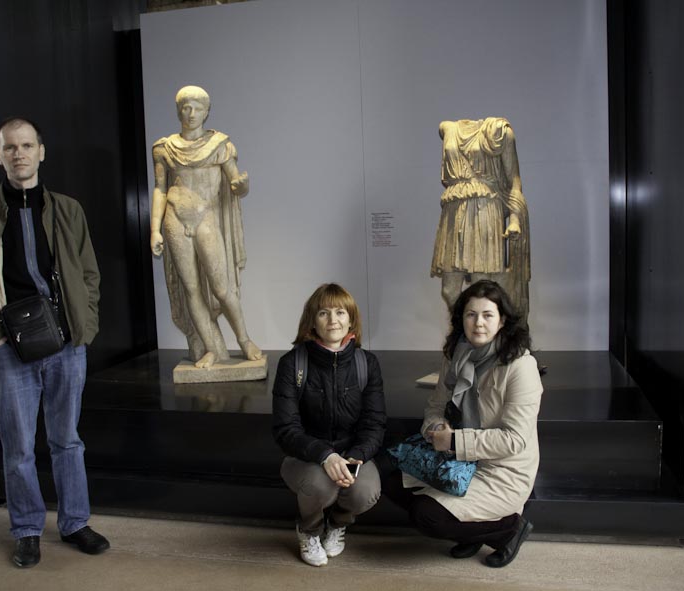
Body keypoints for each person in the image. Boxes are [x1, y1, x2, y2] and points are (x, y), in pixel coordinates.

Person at [0, 117, 109, 568]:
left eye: (26, 145)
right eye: (10, 147)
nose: (18, 154)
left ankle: (75, 523)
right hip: (10, 348)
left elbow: (89, 275)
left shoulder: (68, 210)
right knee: (18, 446)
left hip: (66, 344)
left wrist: (83, 327)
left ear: (41, 151)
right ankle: (26, 530)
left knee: (67, 440)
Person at [382, 280, 542, 568]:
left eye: (487, 315)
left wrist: (455, 441)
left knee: (427, 516)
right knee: (393, 482)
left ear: (502, 320)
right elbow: (436, 406)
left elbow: (514, 440)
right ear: (461, 319)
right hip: (457, 459)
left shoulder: (521, 366)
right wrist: (436, 429)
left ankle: (508, 531)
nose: (478, 323)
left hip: (501, 469)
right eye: (471, 314)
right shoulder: (457, 354)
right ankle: (471, 529)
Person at [272, 284, 387, 566]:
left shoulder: (366, 363)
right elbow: (286, 429)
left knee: (365, 491)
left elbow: (374, 423)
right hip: (305, 456)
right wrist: (325, 456)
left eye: (340, 312)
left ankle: (337, 524)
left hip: (351, 451)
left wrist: (357, 456)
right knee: (321, 486)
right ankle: (309, 531)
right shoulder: (292, 363)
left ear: (351, 319)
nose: (333, 320)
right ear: (312, 321)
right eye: (324, 313)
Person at [150, 85, 262, 369]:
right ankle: (211, 348)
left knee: (222, 288)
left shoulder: (219, 145)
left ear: (207, 112)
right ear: (178, 111)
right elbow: (160, 189)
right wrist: (154, 229)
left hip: (206, 217)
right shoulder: (164, 148)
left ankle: (245, 340)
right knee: (191, 289)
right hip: (175, 218)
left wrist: (242, 185)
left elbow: (236, 184)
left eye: (197, 108)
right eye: (186, 108)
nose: (191, 114)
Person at [430, 118, 532, 326]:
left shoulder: (500, 132)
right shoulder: (447, 128)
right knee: (449, 291)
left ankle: (484, 336)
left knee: (481, 289)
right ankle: (463, 332)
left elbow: (514, 182)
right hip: (454, 213)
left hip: (485, 212)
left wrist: (514, 220)